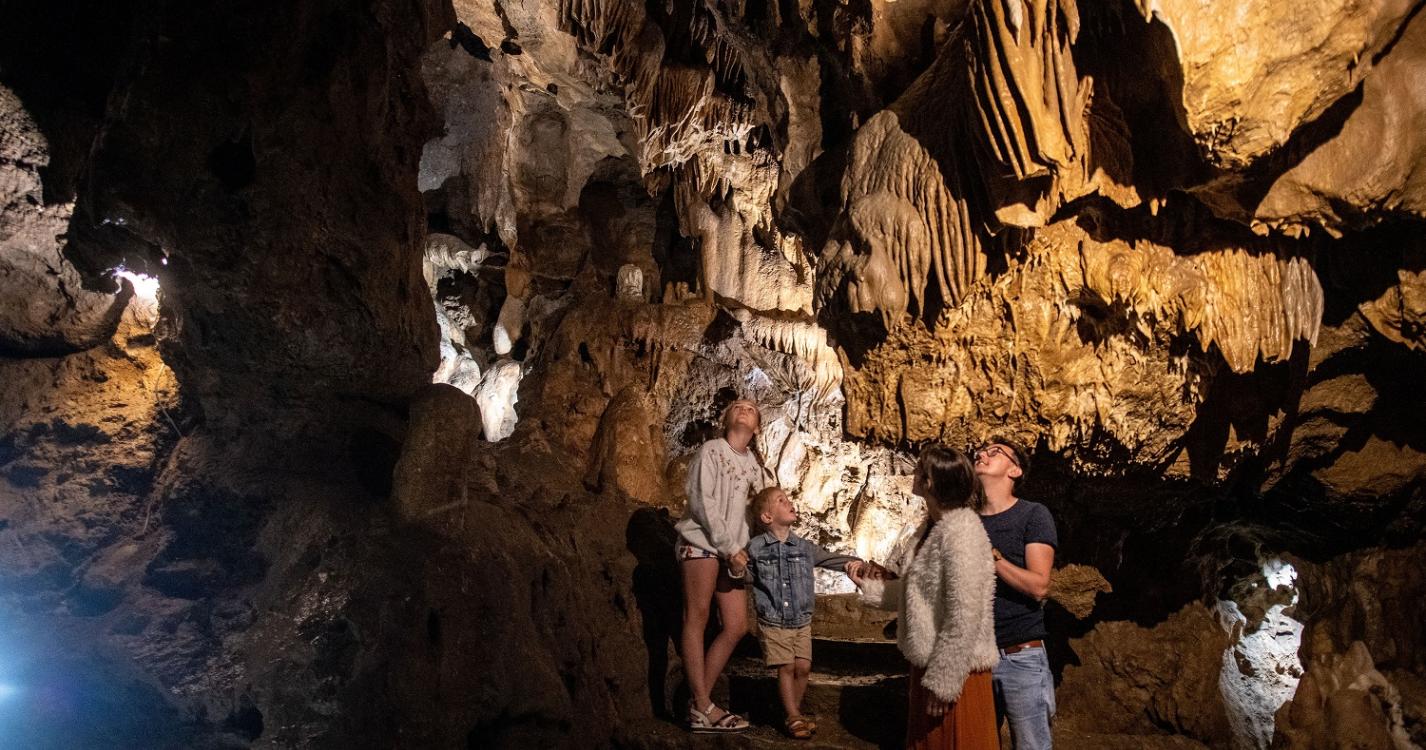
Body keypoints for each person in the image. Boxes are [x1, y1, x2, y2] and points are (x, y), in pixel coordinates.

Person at [850, 445, 999, 749]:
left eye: (919, 470)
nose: (913, 474)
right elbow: (916, 591)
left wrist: (944, 683)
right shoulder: (931, 529)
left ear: (930, 482)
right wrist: (869, 587)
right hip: (931, 666)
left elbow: (965, 614)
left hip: (957, 672)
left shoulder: (962, 533)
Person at [674, 398, 768, 733]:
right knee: (697, 618)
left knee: (736, 625)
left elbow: (760, 510)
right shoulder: (711, 451)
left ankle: (698, 701)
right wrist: (729, 548)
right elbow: (703, 502)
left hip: (734, 553)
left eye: (751, 409)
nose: (744, 409)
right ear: (726, 418)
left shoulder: (755, 466)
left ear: (757, 428)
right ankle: (703, 705)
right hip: (701, 542)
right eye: (738, 406)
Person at [746, 486, 867, 740]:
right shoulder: (756, 548)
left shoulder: (803, 547)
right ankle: (793, 716)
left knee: (803, 666)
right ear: (767, 516)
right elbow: (745, 573)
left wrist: (855, 563)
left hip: (801, 620)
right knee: (787, 666)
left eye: (788, 499)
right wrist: (735, 567)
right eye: (781, 500)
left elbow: (829, 559)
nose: (789, 502)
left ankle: (793, 712)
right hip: (774, 620)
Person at [974, 438, 1057, 750]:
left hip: (1020, 656)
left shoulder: (1032, 514)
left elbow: (1039, 586)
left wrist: (990, 556)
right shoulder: (966, 520)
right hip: (974, 658)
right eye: (980, 451)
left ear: (1015, 470)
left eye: (994, 452)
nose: (982, 454)